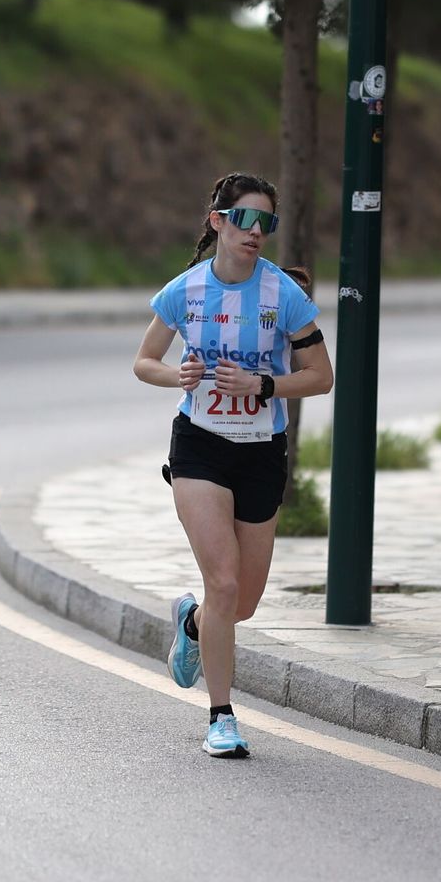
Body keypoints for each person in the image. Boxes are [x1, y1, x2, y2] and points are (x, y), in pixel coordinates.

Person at [133, 172, 333, 758]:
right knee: (222, 581)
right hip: (199, 444)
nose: (256, 232)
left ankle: (193, 623)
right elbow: (145, 362)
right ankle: (221, 718)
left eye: (267, 222)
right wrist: (178, 374)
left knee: (240, 603)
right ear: (218, 221)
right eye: (245, 219)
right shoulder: (186, 291)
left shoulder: (283, 295)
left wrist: (263, 384)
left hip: (261, 450)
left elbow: (321, 377)